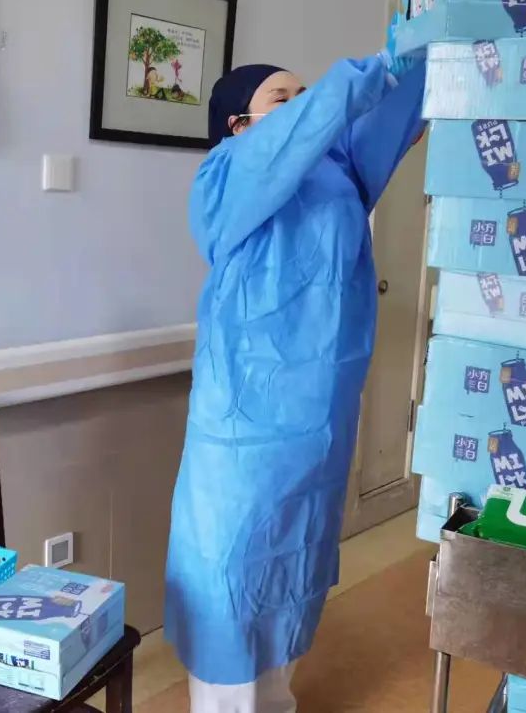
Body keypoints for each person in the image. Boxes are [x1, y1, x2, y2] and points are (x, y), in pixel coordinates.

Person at [164, 49, 427, 713]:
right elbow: (291, 139)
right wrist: (351, 81)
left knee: (292, 567)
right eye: (283, 98)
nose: (304, 104)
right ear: (237, 124)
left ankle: (276, 702)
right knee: (233, 570)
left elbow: (394, 110)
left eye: (306, 93)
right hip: (244, 428)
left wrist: (425, 49)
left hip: (319, 421)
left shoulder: (340, 170)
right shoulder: (225, 176)